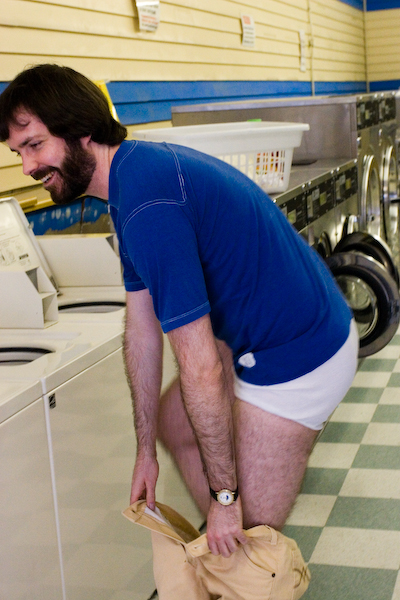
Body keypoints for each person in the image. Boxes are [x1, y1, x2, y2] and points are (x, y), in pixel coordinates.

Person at [0, 64, 359, 560]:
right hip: (269, 332)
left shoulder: (147, 203)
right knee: (176, 425)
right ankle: (220, 549)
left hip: (299, 353)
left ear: (81, 130)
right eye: (18, 153)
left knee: (252, 536)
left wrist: (226, 498)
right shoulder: (129, 182)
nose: (27, 167)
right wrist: (144, 450)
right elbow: (141, 331)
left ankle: (237, 553)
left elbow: (201, 366)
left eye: (35, 145)